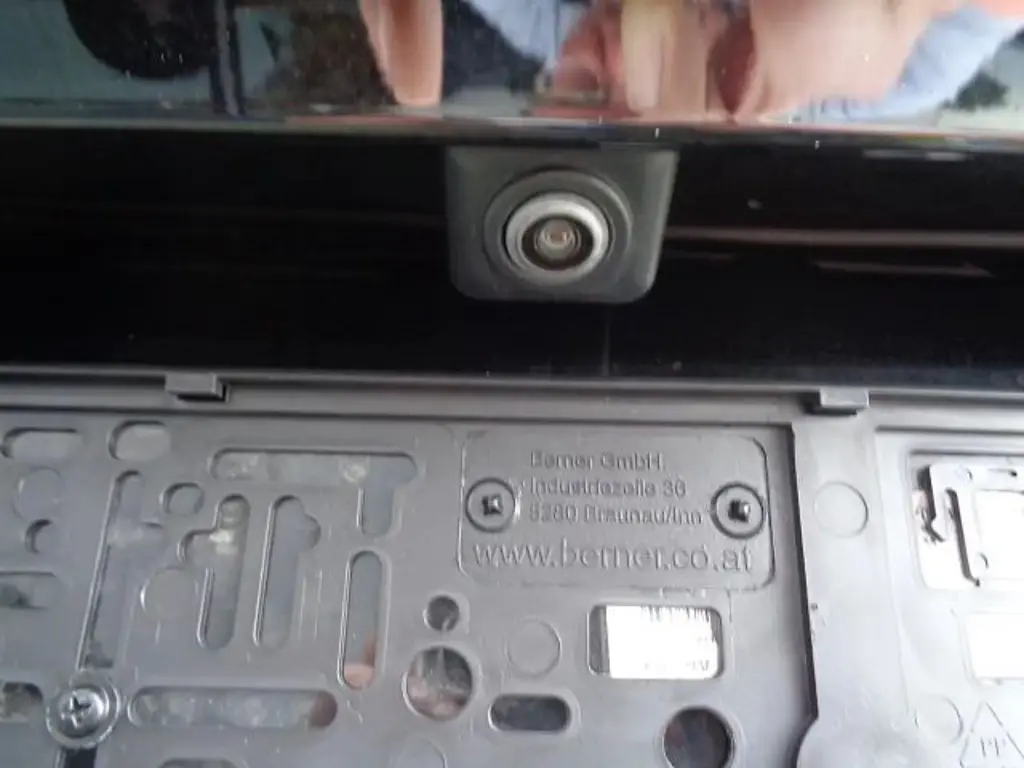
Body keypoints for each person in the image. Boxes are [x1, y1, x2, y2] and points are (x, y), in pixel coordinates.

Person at [365, 0, 1024, 122]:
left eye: (568, 87)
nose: (578, 62)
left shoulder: (563, 27)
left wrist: (414, 87)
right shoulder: (906, 73)